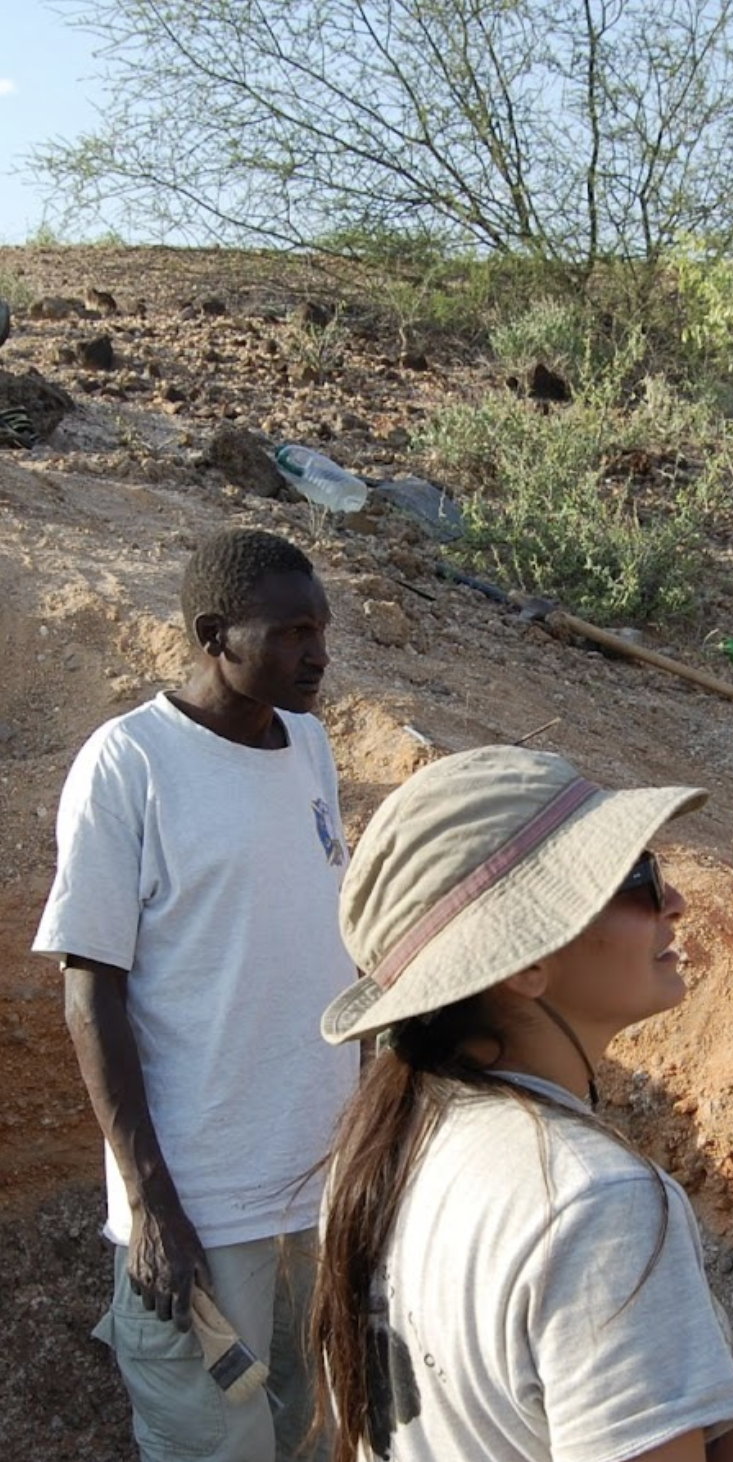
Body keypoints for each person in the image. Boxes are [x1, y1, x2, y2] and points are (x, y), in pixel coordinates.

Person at [312, 745, 733, 1462]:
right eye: (638, 878)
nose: (677, 903)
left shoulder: (378, 1144)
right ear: (525, 960)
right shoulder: (596, 1206)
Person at [33, 527, 360, 1462]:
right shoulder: (127, 764)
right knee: (214, 1443)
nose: (319, 653)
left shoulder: (310, 746)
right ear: (216, 635)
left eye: (323, 628)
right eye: (293, 632)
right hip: (203, 1209)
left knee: (316, 1434)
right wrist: (151, 1208)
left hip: (317, 1186)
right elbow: (90, 996)